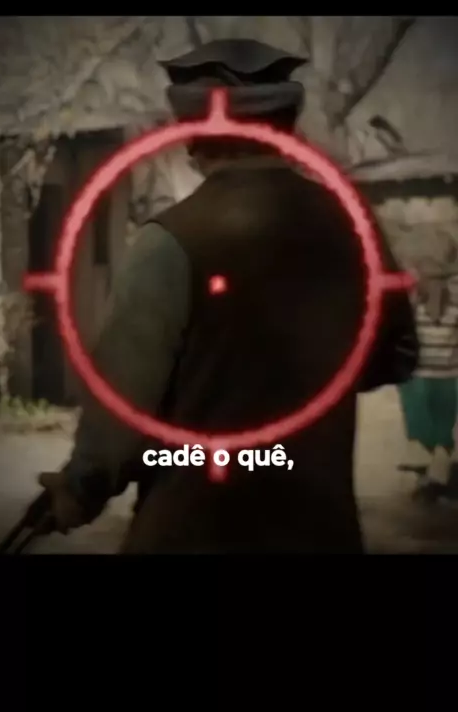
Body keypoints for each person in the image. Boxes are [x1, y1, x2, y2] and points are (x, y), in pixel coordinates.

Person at [37, 38, 419, 554]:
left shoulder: (169, 241)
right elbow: (395, 356)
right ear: (286, 128)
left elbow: (121, 411)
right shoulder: (357, 229)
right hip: (321, 536)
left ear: (194, 135)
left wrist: (78, 491)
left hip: (192, 534)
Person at [398, 239, 458, 503]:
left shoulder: (454, 305)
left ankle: (434, 477)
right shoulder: (414, 305)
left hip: (446, 376)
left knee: (442, 428)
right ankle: (431, 475)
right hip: (422, 375)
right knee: (425, 427)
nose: (431, 284)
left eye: (436, 279)